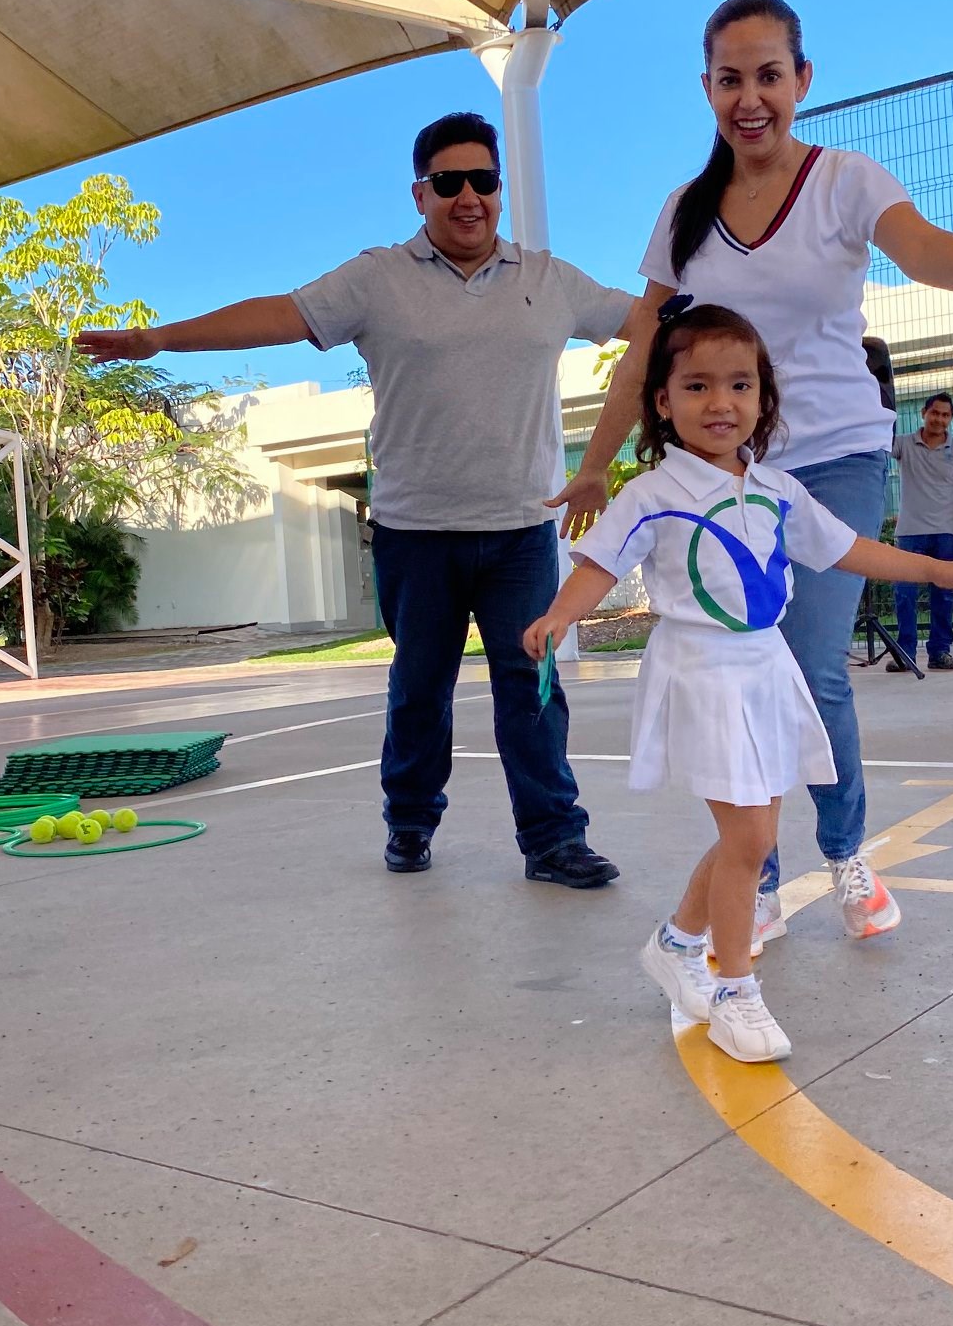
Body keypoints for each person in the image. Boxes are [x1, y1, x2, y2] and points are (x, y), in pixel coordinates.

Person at [556, 0, 953, 944]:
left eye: (768, 76)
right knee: (744, 660)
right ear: (707, 88)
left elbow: (919, 245)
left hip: (835, 455)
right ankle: (756, 877)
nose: (749, 98)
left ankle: (845, 852)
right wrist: (595, 465)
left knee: (805, 658)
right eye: (730, 80)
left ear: (802, 80)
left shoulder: (845, 180)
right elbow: (642, 349)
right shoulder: (686, 213)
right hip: (733, 470)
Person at [77, 111, 645, 888]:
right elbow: (280, 314)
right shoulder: (377, 278)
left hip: (520, 534)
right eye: (449, 181)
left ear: (499, 189)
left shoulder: (549, 280)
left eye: (483, 180)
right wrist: (160, 339)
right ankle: (409, 823)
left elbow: (654, 322)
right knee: (419, 693)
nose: (469, 197)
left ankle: (553, 840)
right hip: (416, 537)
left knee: (533, 694)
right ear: (421, 194)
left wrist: (607, 456)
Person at [527, 304, 953, 1061]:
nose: (720, 402)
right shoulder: (651, 494)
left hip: (766, 668)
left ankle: (678, 944)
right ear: (663, 402)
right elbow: (598, 565)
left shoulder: (778, 489)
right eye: (698, 386)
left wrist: (937, 570)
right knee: (750, 838)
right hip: (701, 672)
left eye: (740, 384)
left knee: (748, 837)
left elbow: (849, 550)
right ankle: (735, 991)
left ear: (762, 398)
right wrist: (559, 616)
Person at [889, 392, 953, 673]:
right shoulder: (903, 444)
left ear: (951, 418)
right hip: (909, 533)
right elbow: (876, 445)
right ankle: (905, 654)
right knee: (904, 595)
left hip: (945, 534)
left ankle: (940, 652)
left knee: (944, 596)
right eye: (935, 413)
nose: (939, 419)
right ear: (923, 413)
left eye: (945, 415)